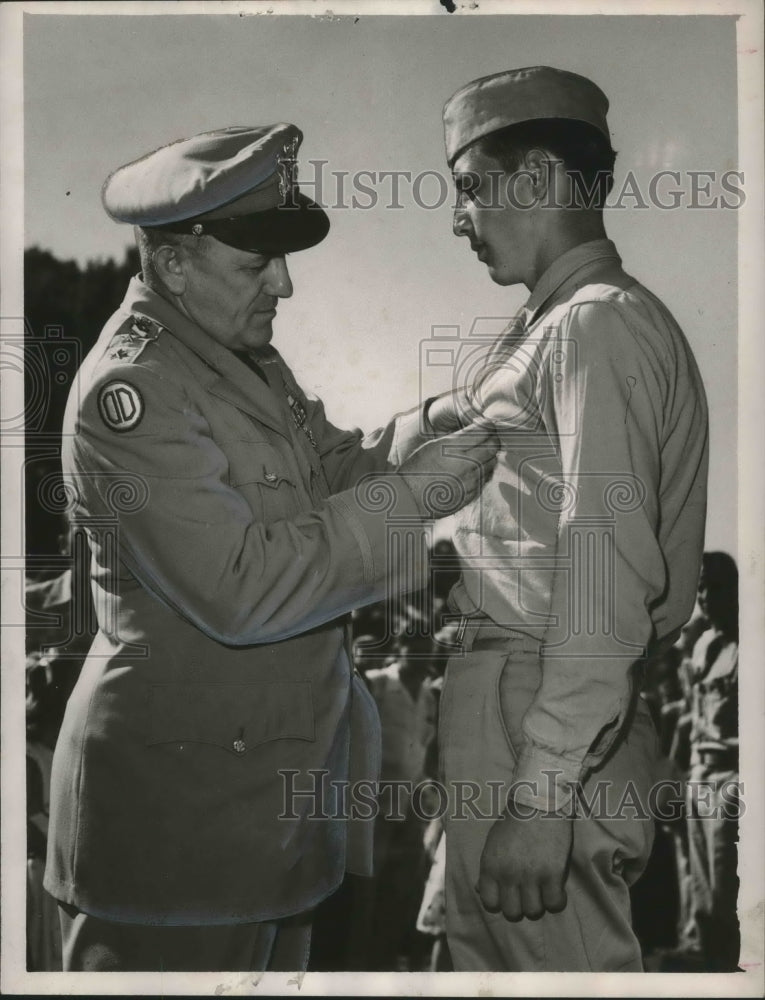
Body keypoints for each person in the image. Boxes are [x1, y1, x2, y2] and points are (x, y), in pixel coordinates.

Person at [43, 123, 498, 972]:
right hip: (178, 828)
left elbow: (333, 469)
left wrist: (437, 424)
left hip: (261, 820)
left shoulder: (242, 360)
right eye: (256, 266)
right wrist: (416, 498)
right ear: (174, 263)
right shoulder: (131, 391)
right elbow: (242, 588)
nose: (284, 285)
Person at [423, 66, 709, 970]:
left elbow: (601, 563)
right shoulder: (555, 331)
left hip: (540, 718)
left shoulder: (592, 328)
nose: (456, 217)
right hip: (530, 713)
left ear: (539, 178)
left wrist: (542, 796)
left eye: (469, 188)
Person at [685, 552, 740, 970]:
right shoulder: (703, 643)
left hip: (730, 774)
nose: (705, 596)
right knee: (701, 888)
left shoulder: (746, 648)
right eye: (701, 587)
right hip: (698, 773)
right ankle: (708, 970)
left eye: (715, 587)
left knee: (726, 888)